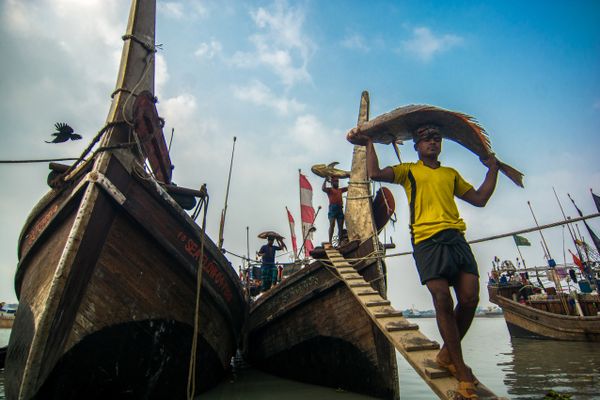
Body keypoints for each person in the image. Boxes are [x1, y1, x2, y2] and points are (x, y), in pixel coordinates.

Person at [348, 124, 499, 400]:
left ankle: (445, 355)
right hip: (426, 241)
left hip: (456, 239)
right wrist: (369, 142)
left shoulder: (450, 174)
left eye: (436, 138)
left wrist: (493, 170)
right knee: (441, 299)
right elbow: (375, 173)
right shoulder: (409, 171)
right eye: (425, 139)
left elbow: (479, 199)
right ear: (416, 146)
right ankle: (461, 369)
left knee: (469, 299)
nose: (432, 142)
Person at [322, 176, 348, 244]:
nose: (337, 183)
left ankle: (340, 242)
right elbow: (323, 188)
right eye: (335, 181)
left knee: (340, 227)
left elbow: (349, 188)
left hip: (339, 208)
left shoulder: (340, 190)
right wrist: (325, 180)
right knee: (332, 224)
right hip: (333, 208)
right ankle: (330, 241)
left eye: (337, 181)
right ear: (332, 183)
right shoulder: (330, 190)